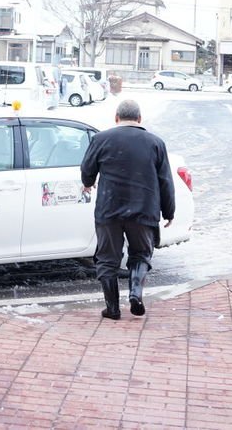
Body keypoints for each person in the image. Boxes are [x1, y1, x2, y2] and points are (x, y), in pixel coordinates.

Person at [81, 99, 175, 320]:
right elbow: (165, 182)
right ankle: (135, 293)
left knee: (107, 259)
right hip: (144, 211)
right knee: (141, 254)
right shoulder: (156, 143)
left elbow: (87, 170)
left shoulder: (100, 139)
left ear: (116, 118)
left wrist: (88, 181)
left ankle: (112, 308)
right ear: (140, 119)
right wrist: (169, 211)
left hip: (109, 209)